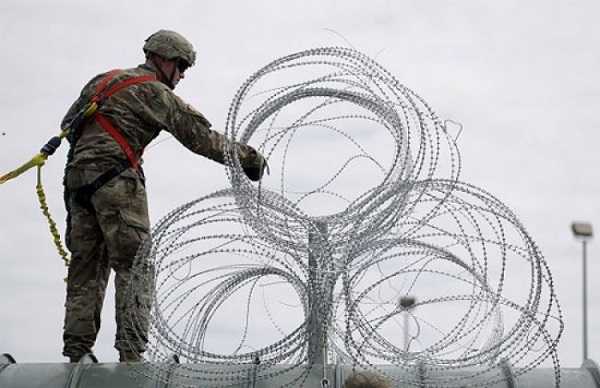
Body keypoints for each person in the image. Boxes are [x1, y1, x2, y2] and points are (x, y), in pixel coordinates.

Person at [61, 30, 266, 363]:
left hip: (78, 183)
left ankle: (77, 353)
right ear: (164, 59)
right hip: (117, 181)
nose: (182, 75)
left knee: (86, 267)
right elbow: (200, 138)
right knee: (135, 264)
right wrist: (248, 159)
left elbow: (69, 124)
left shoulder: (102, 80)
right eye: (181, 66)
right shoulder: (155, 92)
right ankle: (131, 355)